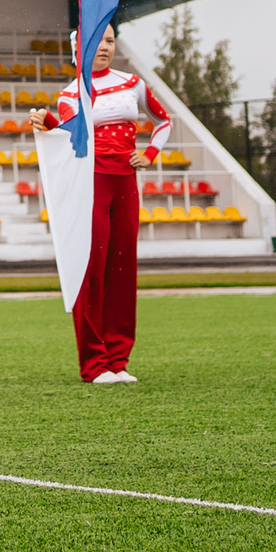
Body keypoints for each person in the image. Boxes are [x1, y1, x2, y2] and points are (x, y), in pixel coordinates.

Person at [27, 27, 170, 385]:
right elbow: (68, 137)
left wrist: (149, 154)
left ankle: (118, 360)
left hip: (125, 184)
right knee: (91, 270)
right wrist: (47, 122)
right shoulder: (70, 93)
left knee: (122, 271)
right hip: (90, 185)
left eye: (109, 40)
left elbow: (163, 120)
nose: (104, 47)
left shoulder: (132, 83)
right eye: (96, 40)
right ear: (78, 48)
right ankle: (94, 364)